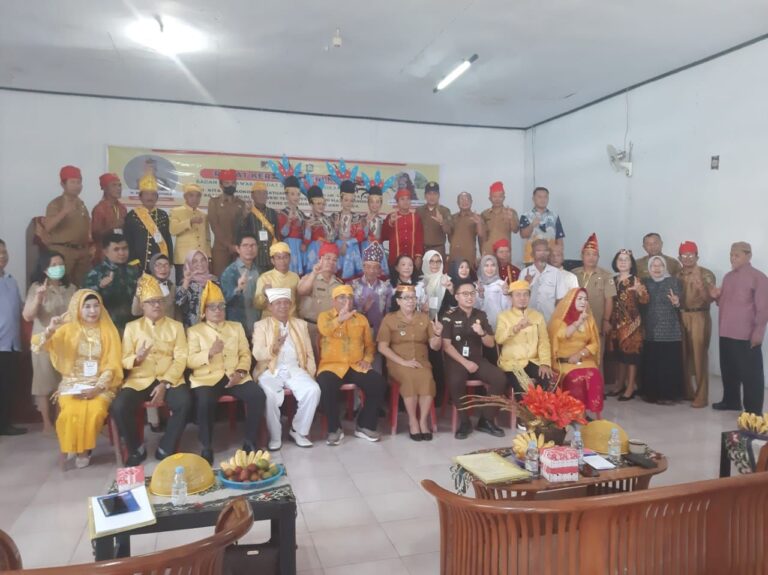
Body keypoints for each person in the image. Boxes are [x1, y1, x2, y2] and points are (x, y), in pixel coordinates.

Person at [31, 290, 122, 467]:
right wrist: (50, 330)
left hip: (100, 384)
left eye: (96, 306)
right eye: (87, 306)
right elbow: (39, 345)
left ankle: (84, 449)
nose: (92, 310)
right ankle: (75, 445)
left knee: (94, 410)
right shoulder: (68, 329)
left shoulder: (109, 331)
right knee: (70, 413)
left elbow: (112, 364)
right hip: (72, 383)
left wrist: (97, 388)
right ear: (78, 308)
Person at [112, 274, 191, 465]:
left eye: (160, 301)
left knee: (185, 402)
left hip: (168, 378)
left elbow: (181, 358)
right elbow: (124, 359)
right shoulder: (132, 328)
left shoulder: (176, 326)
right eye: (151, 302)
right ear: (142, 306)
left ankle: (166, 445)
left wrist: (165, 383)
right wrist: (136, 359)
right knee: (119, 406)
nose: (157, 305)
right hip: (140, 379)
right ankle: (136, 447)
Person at [187, 281, 265, 463]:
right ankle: (206, 446)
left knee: (257, 395)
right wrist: (209, 353)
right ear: (204, 311)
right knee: (205, 401)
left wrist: (240, 372)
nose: (217, 310)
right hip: (207, 378)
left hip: (233, 376)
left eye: (221, 306)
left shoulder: (235, 327)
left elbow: (245, 353)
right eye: (212, 307)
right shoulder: (194, 331)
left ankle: (249, 441)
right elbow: (190, 361)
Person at [316, 285, 386, 445]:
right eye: (342, 297)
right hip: (331, 365)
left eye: (349, 297)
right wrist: (339, 319)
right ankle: (334, 429)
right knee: (325, 385)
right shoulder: (324, 317)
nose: (347, 301)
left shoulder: (361, 319)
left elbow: (369, 345)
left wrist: (367, 360)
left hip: (355, 365)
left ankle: (364, 425)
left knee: (378, 383)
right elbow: (324, 331)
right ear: (333, 301)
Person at [253, 288, 320, 450]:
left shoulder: (300, 324)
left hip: (294, 368)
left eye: (285, 303)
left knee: (313, 390)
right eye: (278, 303)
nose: (282, 306)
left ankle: (298, 430)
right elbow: (257, 353)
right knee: (268, 395)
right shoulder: (261, 325)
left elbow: (309, 353)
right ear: (270, 307)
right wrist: (273, 349)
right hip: (269, 369)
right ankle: (275, 436)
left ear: (290, 305)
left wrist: (310, 374)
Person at [441, 281, 506, 439]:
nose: (469, 297)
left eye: (472, 293)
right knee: (456, 381)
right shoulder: (449, 316)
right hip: (456, 359)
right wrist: (465, 363)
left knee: (500, 378)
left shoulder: (480, 315)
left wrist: (482, 333)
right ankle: (464, 422)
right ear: (457, 297)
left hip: (477, 358)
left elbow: (490, 343)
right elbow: (447, 346)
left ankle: (486, 419)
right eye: (465, 294)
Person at [378, 285, 443, 441]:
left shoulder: (423, 318)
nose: (411, 301)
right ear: (399, 301)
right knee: (409, 379)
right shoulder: (390, 318)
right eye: (407, 298)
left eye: (414, 297)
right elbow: (382, 347)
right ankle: (413, 420)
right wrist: (403, 362)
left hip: (421, 361)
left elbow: (435, 346)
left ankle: (423, 421)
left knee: (427, 379)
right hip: (398, 362)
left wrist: (438, 335)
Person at [709, 242, 768, 414]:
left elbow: (764, 309)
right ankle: (731, 401)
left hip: (745, 334)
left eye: (737, 255)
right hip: (726, 331)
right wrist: (714, 297)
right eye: (731, 255)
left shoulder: (759, 277)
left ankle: (753, 409)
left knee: (751, 374)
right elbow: (723, 303)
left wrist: (758, 332)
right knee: (728, 370)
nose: (732, 258)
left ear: (748, 256)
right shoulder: (728, 277)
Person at [22, 251, 77, 432]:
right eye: (53, 265)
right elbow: (28, 316)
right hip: (44, 341)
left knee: (63, 382)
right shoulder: (36, 287)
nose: (58, 268)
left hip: (67, 342)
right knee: (44, 383)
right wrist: (38, 298)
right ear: (45, 269)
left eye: (60, 264)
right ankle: (46, 424)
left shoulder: (71, 288)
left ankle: (60, 420)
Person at [549, 288, 604, 417]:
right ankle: (574, 413)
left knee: (594, 375)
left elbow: (595, 343)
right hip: (563, 361)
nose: (583, 302)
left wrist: (581, 354)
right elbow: (563, 335)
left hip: (583, 360)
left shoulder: (589, 320)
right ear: (571, 301)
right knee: (576, 378)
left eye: (585, 299)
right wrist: (578, 321)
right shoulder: (559, 320)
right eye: (579, 299)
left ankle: (594, 415)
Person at [496, 280, 553, 399]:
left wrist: (545, 363)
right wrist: (516, 328)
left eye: (525, 294)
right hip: (513, 364)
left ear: (529, 297)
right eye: (518, 295)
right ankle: (525, 417)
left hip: (533, 361)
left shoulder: (537, 316)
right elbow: (499, 339)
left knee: (547, 380)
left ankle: (545, 416)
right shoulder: (504, 316)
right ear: (511, 297)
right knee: (524, 387)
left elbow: (544, 341)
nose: (522, 298)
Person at [676, 241, 716, 407]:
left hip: (699, 315)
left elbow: (710, 299)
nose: (687, 258)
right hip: (680, 315)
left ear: (697, 256)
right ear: (679, 258)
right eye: (684, 255)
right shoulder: (677, 274)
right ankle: (687, 391)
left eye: (691, 255)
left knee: (699, 356)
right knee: (682, 355)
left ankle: (702, 396)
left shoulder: (706, 274)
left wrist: (701, 288)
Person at [640, 256, 685, 404]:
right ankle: (652, 394)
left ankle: (669, 395)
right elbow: (641, 303)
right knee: (653, 364)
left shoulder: (673, 282)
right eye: (653, 266)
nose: (657, 268)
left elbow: (680, 304)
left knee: (668, 365)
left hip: (670, 331)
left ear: (665, 267)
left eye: (660, 265)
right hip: (651, 330)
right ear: (649, 268)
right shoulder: (645, 283)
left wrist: (676, 302)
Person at [607, 249, 648, 401]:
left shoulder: (636, 280)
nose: (623, 262)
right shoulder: (612, 280)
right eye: (620, 259)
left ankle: (630, 387)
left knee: (631, 357)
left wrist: (639, 292)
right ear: (615, 263)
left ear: (631, 263)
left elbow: (645, 300)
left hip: (632, 325)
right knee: (619, 357)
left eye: (626, 259)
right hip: (615, 324)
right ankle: (619, 384)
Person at [43, 165, 91, 285]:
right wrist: (64, 212)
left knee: (82, 286)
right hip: (63, 251)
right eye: (73, 182)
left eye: (79, 182)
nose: (77, 185)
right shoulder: (56, 203)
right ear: (63, 185)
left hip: (82, 251)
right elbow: (47, 227)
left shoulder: (81, 203)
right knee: (61, 285)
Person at [84, 233, 140, 334]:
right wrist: (99, 286)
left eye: (124, 248)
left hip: (133, 326)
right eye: (116, 249)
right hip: (108, 327)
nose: (122, 253)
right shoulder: (97, 273)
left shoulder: (134, 271)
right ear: (105, 252)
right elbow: (84, 298)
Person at [0, 239, 26, 436]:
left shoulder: (11, 280)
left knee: (7, 386)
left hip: (11, 344)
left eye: (4, 252)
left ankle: (4, 424)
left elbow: (19, 310)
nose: (3, 256)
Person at [298, 242, 342, 357]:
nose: (331, 262)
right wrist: (314, 273)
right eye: (327, 258)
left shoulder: (339, 284)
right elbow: (302, 291)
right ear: (320, 259)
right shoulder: (309, 278)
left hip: (331, 330)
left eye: (334, 260)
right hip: (312, 329)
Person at [124, 171, 173, 271]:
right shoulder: (132, 215)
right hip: (138, 264)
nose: (150, 197)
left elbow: (167, 239)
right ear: (140, 197)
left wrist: (169, 260)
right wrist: (133, 261)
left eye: (153, 194)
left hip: (159, 264)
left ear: (157, 197)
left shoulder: (163, 215)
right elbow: (128, 240)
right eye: (146, 194)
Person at [572, 233, 616, 339]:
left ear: (598, 257)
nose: (591, 257)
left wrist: (606, 321)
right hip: (576, 324)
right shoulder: (573, 274)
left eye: (595, 254)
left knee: (597, 353)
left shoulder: (606, 275)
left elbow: (609, 300)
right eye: (588, 254)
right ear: (582, 256)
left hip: (597, 323)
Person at [220, 233, 261, 338]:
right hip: (238, 327)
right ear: (238, 249)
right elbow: (224, 301)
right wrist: (238, 289)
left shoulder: (259, 271)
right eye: (245, 245)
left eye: (253, 245)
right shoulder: (229, 272)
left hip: (258, 325)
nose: (249, 249)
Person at [208, 169, 247, 277]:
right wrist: (229, 246)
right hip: (221, 249)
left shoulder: (241, 203)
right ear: (220, 185)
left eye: (233, 183)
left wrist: (238, 247)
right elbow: (214, 226)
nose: (231, 186)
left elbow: (243, 227)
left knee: (239, 282)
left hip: (239, 250)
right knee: (221, 280)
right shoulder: (214, 202)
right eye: (227, 183)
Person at [169, 183, 211, 282]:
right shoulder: (176, 211)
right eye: (191, 195)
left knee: (200, 288)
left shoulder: (203, 214)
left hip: (201, 260)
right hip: (183, 259)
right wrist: (190, 222)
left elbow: (208, 238)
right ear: (185, 196)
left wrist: (209, 257)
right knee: (183, 287)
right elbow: (173, 230)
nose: (195, 199)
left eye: (198, 196)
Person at [520, 239, 569, 322]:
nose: (542, 253)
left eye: (545, 250)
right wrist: (527, 284)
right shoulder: (524, 272)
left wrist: (557, 319)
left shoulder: (556, 273)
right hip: (528, 321)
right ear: (532, 254)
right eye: (538, 250)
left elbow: (560, 299)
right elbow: (518, 299)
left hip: (549, 320)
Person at [239, 181, 279, 272]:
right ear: (252, 196)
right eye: (259, 193)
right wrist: (244, 216)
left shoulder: (272, 213)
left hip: (271, 258)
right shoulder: (248, 213)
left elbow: (277, 234)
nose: (262, 195)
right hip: (255, 258)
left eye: (264, 193)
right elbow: (241, 232)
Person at [519, 186, 565, 266]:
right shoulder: (526, 215)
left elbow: (559, 238)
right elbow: (523, 235)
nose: (543, 200)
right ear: (533, 199)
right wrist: (532, 225)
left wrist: (558, 256)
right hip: (531, 258)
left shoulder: (554, 216)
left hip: (550, 258)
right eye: (539, 197)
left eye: (545, 197)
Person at [382, 187, 424, 270]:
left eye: (408, 199)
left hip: (412, 261)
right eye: (402, 199)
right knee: (395, 283)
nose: (405, 202)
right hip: (394, 261)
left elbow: (419, 239)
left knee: (412, 283)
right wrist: (391, 222)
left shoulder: (416, 218)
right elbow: (384, 236)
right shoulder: (391, 217)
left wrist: (418, 256)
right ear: (397, 202)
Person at [254, 242, 300, 319]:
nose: (282, 261)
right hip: (270, 322)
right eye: (278, 258)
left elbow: (299, 302)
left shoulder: (295, 277)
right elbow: (257, 305)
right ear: (272, 261)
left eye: (285, 257)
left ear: (290, 258)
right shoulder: (264, 278)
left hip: (291, 321)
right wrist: (264, 294)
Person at [91, 173, 127, 263]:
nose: (118, 188)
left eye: (119, 185)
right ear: (105, 188)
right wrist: (112, 228)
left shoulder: (122, 208)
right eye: (114, 185)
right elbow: (95, 235)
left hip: (121, 253)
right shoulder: (99, 209)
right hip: (104, 255)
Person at [175, 249, 217, 328]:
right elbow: (178, 302)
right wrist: (187, 280)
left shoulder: (214, 281)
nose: (200, 264)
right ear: (189, 264)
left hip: (213, 328)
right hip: (193, 329)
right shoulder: (186, 283)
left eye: (203, 260)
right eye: (195, 261)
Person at [333, 180, 365, 281]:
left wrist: (347, 244)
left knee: (350, 278)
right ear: (341, 200)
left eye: (351, 200)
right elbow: (329, 238)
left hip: (351, 248)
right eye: (346, 200)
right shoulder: (335, 216)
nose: (349, 203)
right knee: (337, 274)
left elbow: (360, 236)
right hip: (337, 247)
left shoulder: (356, 217)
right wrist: (336, 228)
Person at [415, 181, 452, 261]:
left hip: (438, 250)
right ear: (425, 196)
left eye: (435, 194)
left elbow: (449, 231)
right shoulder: (419, 211)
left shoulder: (444, 211)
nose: (432, 197)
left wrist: (442, 222)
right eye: (429, 194)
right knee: (422, 273)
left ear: (438, 196)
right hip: (422, 251)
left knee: (437, 273)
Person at [131, 253, 176, 320]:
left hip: (169, 328)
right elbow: (136, 312)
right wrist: (139, 289)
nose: (163, 268)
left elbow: (176, 313)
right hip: (151, 328)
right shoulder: (145, 286)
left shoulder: (172, 287)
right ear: (152, 267)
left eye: (166, 265)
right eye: (158, 265)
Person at [303, 185, 336, 273]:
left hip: (327, 251)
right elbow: (306, 241)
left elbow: (332, 238)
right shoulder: (307, 220)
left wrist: (336, 227)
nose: (321, 206)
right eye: (318, 204)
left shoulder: (328, 219)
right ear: (311, 204)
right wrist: (308, 228)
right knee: (313, 273)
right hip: (313, 250)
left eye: (323, 204)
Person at [481, 181, 519, 257]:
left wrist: (511, 218)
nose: (497, 199)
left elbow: (516, 230)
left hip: (504, 253)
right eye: (494, 196)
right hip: (488, 253)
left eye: (500, 196)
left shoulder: (511, 212)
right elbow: (481, 236)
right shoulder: (484, 214)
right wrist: (481, 251)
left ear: (504, 198)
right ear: (490, 198)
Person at [277, 176, 306, 275]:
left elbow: (304, 233)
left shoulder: (302, 214)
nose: (296, 197)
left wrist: (305, 243)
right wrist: (288, 222)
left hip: (299, 247)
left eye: (298, 194)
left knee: (300, 274)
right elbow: (282, 234)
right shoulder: (282, 213)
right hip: (288, 245)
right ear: (287, 195)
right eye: (292, 194)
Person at [475, 254, 511, 333]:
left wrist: (505, 294)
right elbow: (475, 308)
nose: (490, 269)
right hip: (481, 325)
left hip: (499, 324)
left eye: (493, 265)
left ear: (497, 267)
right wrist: (480, 295)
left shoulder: (502, 284)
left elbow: (507, 308)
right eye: (486, 265)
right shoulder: (477, 285)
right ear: (481, 268)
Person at [361, 183, 390, 277]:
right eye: (372, 202)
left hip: (379, 251)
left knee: (380, 276)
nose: (374, 205)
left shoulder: (382, 221)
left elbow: (385, 237)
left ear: (381, 204)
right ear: (368, 203)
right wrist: (367, 224)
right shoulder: (363, 219)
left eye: (377, 202)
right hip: (365, 250)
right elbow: (361, 237)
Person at [449, 191, 484, 268]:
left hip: (469, 257)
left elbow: (481, 236)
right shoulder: (452, 218)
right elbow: (449, 236)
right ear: (458, 203)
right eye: (462, 200)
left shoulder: (477, 218)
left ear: (471, 202)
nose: (464, 202)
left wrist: (478, 223)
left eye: (467, 199)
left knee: (469, 278)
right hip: (454, 256)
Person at [418, 250, 453, 319]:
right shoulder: (420, 281)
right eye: (431, 261)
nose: (435, 264)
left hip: (443, 320)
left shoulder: (446, 280)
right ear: (426, 262)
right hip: (422, 319)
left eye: (438, 261)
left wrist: (451, 290)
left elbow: (453, 304)